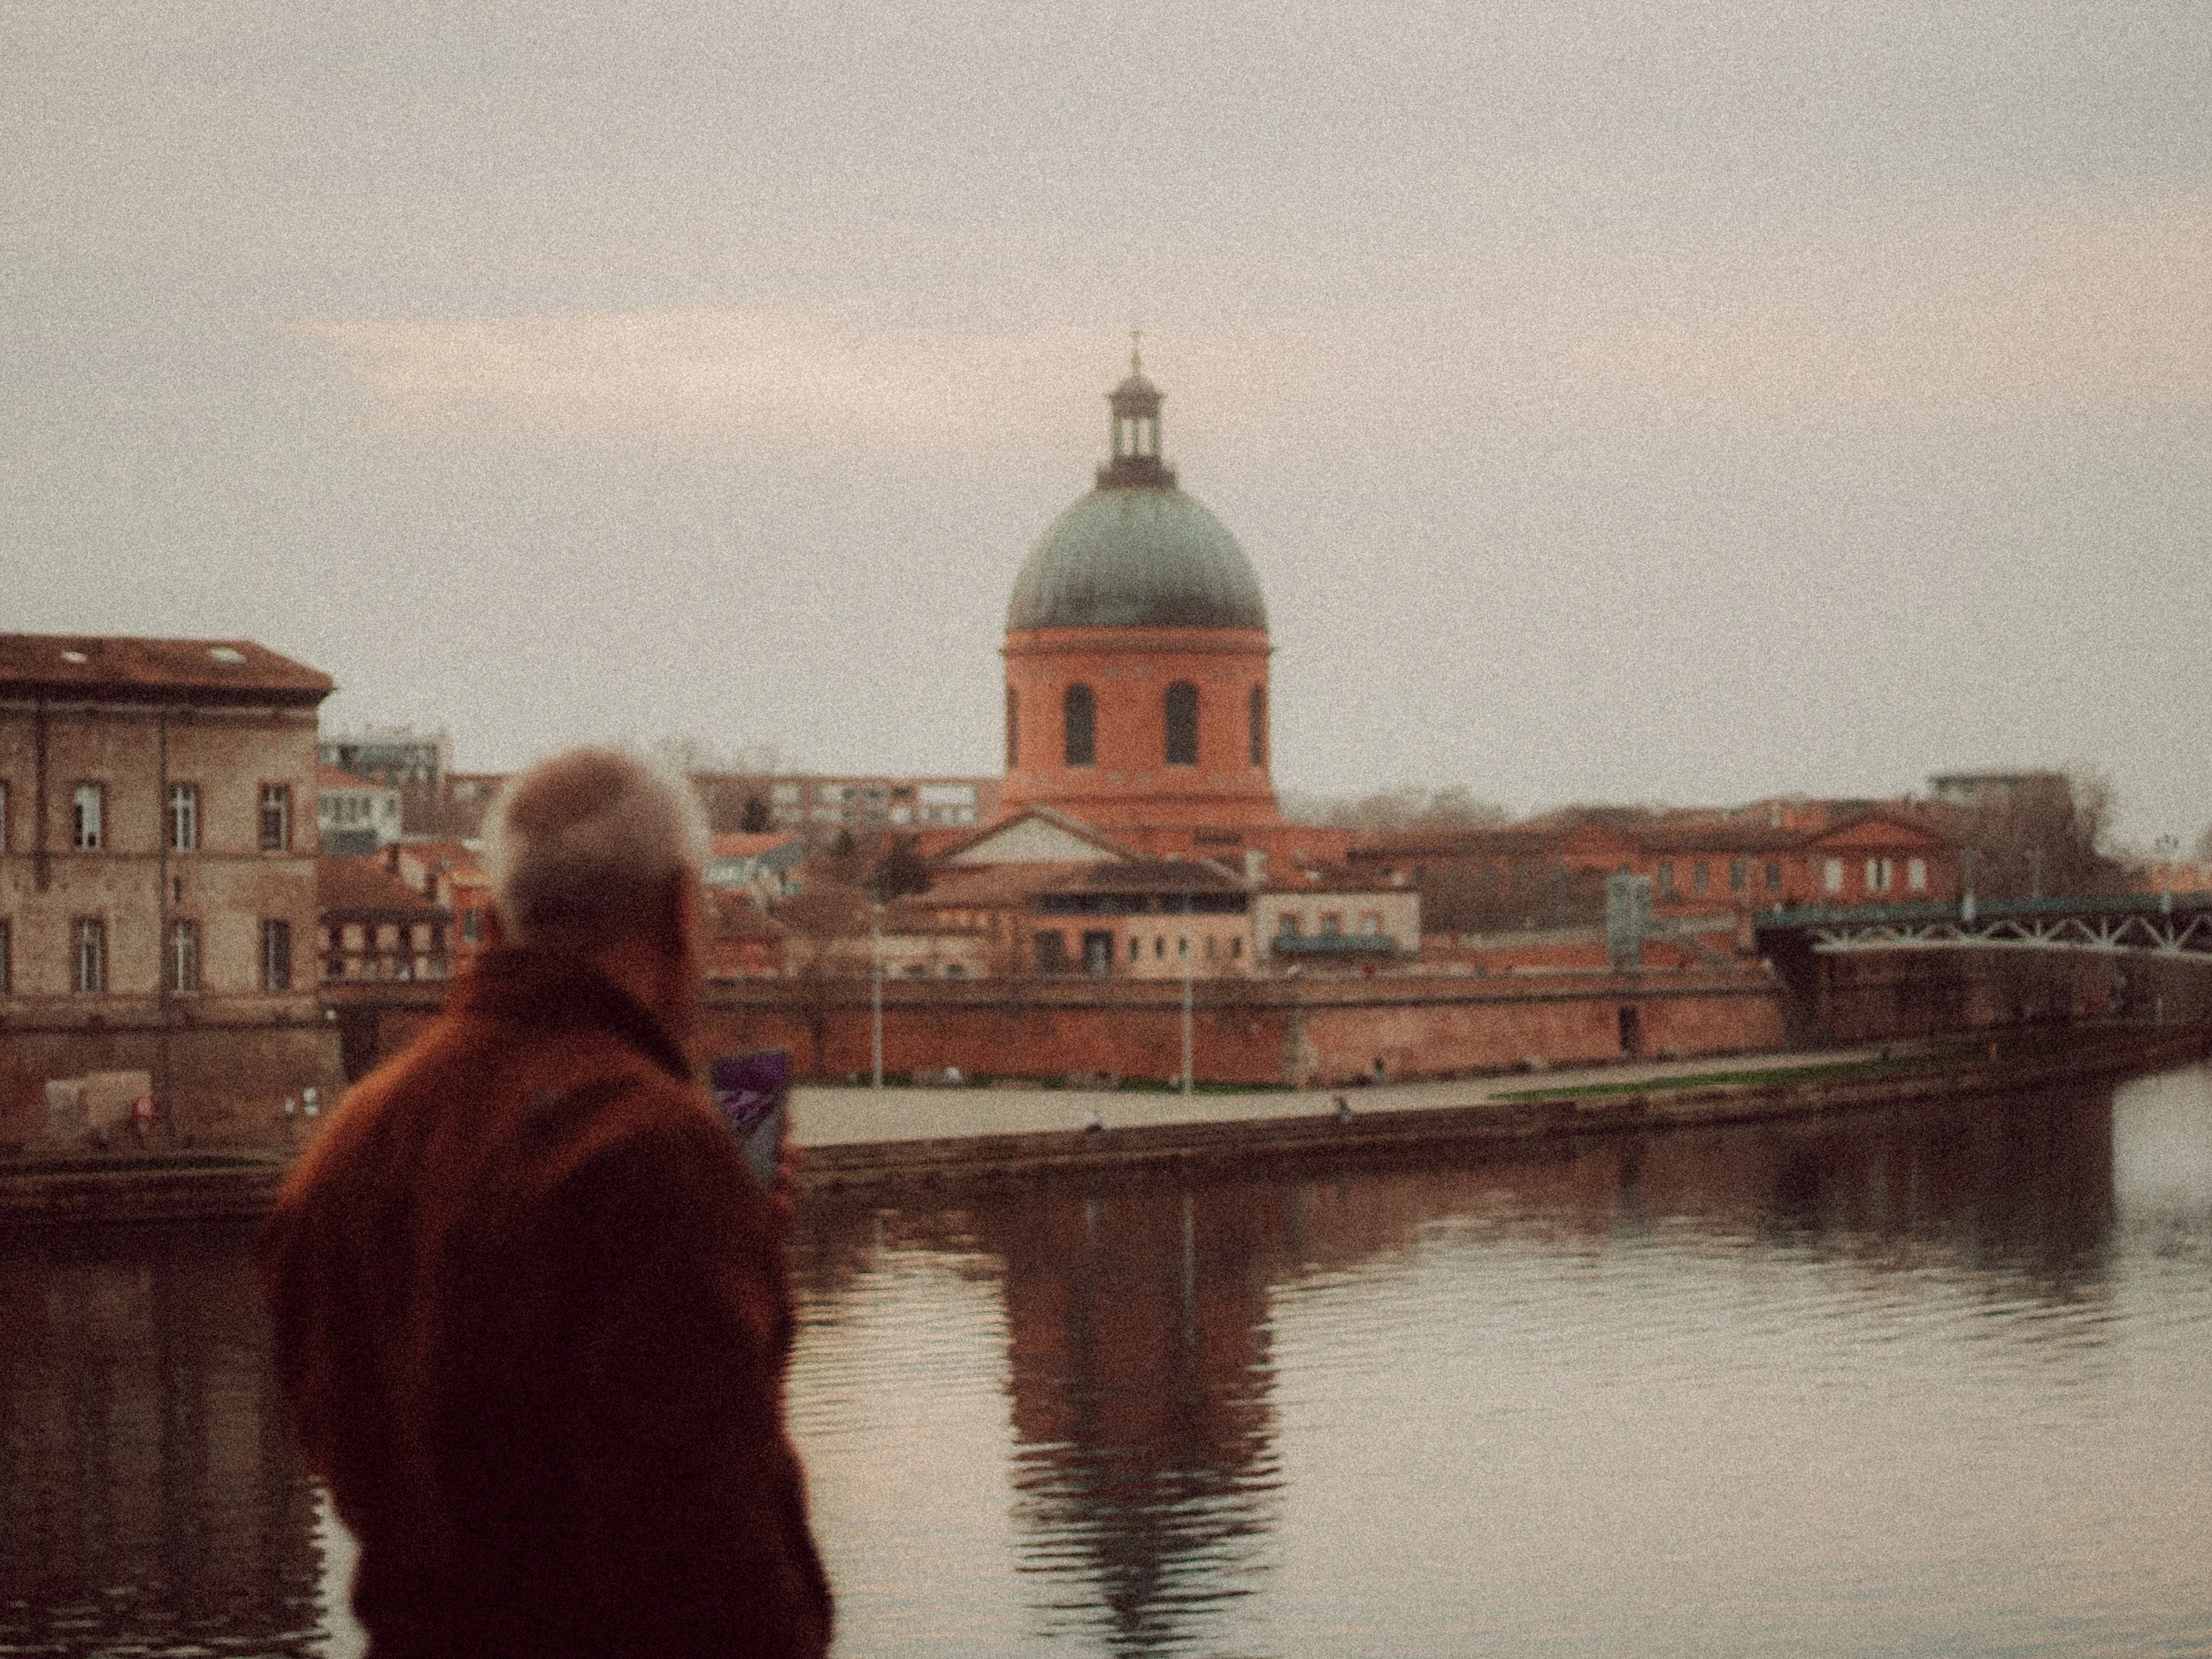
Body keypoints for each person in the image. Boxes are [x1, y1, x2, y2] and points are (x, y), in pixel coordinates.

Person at [261, 749, 832, 1659]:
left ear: (493, 917)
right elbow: (715, 1574)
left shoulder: (344, 1149)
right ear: (682, 912)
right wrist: (739, 1278)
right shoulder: (656, 1152)